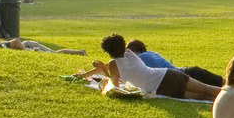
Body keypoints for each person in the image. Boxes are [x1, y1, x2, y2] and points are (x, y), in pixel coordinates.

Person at [89, 33, 224, 100]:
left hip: (161, 87)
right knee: (206, 90)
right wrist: (103, 67)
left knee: (203, 95)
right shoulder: (129, 53)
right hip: (167, 75)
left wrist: (102, 68)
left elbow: (115, 85)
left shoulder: (113, 64)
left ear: (108, 52)